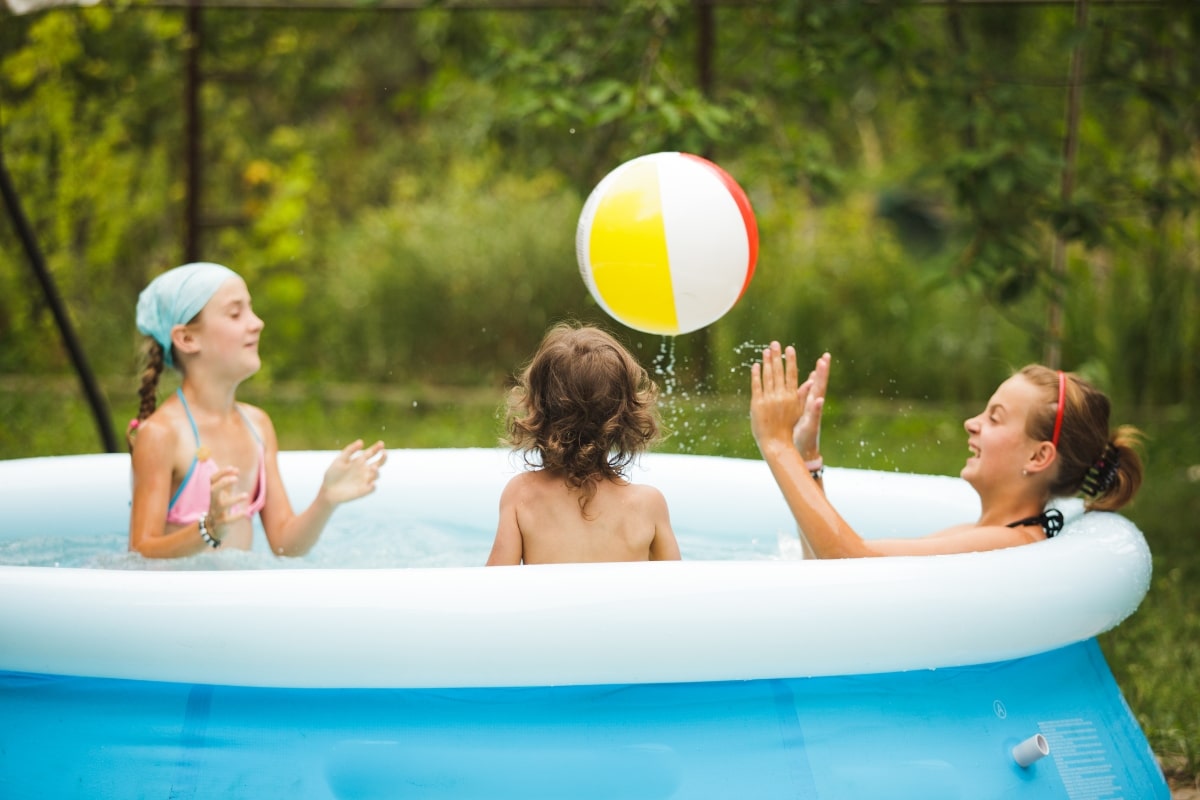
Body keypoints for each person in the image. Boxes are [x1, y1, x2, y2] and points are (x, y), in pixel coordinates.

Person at [749, 342, 1143, 558]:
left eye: (995, 418)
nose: (972, 423)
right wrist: (807, 457)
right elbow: (831, 569)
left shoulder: (1010, 543)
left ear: (1038, 457)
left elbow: (852, 563)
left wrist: (777, 445)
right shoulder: (983, 534)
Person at [127, 262, 386, 558]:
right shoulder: (162, 434)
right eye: (236, 314)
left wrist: (325, 500)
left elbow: (285, 544)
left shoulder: (257, 425)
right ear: (187, 338)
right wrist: (207, 530)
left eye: (251, 309)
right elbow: (140, 552)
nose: (257, 323)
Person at [486, 323, 681, 565]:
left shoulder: (522, 495)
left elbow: (492, 588)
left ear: (538, 408)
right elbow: (676, 590)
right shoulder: (648, 505)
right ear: (625, 418)